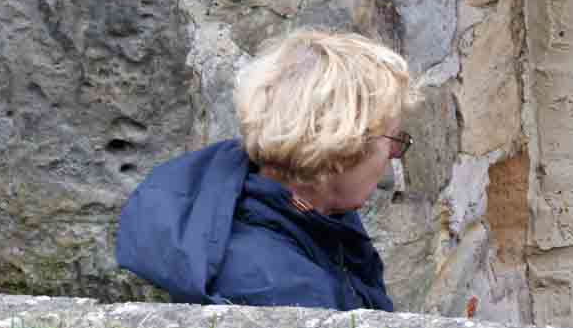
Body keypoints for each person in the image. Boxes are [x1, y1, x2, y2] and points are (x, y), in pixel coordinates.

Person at [115, 29, 414, 310]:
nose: (393, 155)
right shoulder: (278, 290)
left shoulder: (309, 207)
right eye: (392, 140)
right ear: (342, 150)